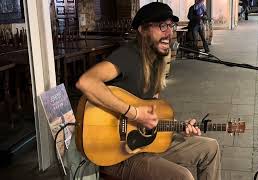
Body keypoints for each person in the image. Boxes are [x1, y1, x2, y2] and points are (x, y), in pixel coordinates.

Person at [75, 2, 221, 180]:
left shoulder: (156, 63)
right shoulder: (128, 55)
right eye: (162, 26)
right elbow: (86, 82)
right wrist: (134, 113)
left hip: (146, 145)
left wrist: (180, 128)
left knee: (210, 148)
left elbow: (152, 119)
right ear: (143, 30)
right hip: (119, 154)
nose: (169, 32)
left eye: (170, 25)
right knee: (183, 177)